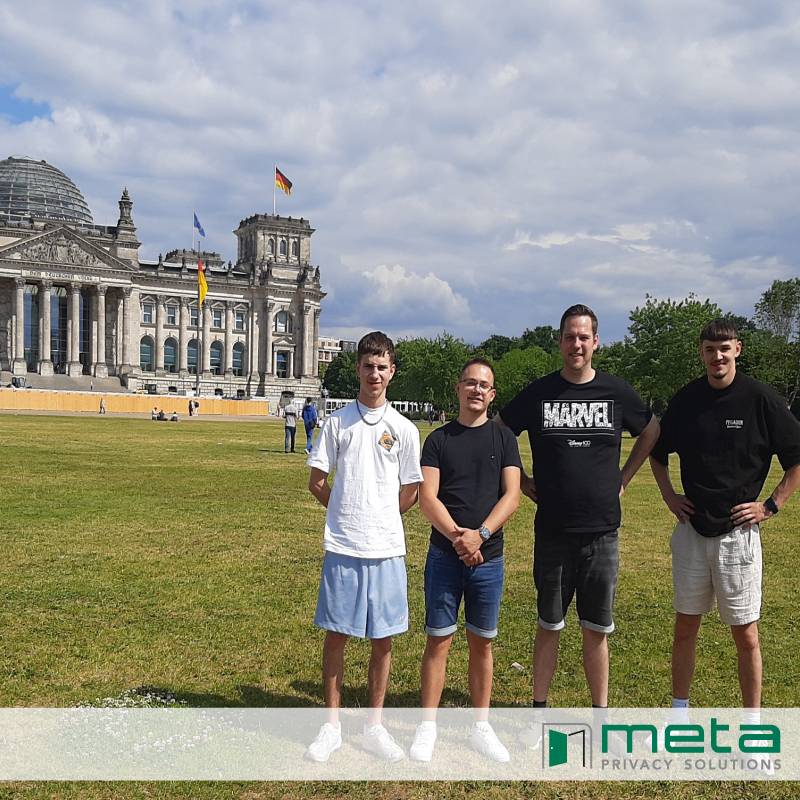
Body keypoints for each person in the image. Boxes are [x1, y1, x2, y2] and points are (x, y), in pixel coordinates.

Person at [498, 304, 659, 717]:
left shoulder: (616, 392)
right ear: (560, 341)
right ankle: (539, 710)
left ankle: (600, 715)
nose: (576, 344)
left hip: (602, 531)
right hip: (553, 530)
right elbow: (500, 429)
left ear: (596, 343)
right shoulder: (540, 392)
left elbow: (652, 429)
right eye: (570, 336)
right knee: (549, 624)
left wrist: (624, 477)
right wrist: (521, 481)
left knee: (597, 629)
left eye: (584, 337)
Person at [650, 318, 800, 712]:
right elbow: (657, 451)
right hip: (692, 533)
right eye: (709, 349)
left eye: (724, 348)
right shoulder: (687, 400)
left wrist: (770, 505)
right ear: (701, 353)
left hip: (739, 536)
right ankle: (679, 716)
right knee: (685, 628)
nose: (717, 356)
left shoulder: (761, 400)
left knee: (746, 635)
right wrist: (669, 497)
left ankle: (752, 724)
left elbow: (796, 458)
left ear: (738, 349)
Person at [305, 331, 422, 763]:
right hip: (344, 545)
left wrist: (383, 516)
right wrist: (345, 509)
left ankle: (375, 725)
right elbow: (317, 480)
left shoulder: (404, 429)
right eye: (368, 366)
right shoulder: (337, 423)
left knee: (383, 639)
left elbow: (412, 487)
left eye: (382, 366)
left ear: (392, 371)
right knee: (337, 636)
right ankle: (331, 726)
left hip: (387, 547)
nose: (374, 373)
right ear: (358, 368)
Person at [410, 358, 521, 763]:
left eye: (484, 385)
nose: (476, 390)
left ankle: (481, 725)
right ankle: (427, 726)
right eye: (470, 383)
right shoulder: (438, 439)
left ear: (492, 395)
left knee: (482, 643)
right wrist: (459, 537)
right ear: (458, 389)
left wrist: (482, 535)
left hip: (488, 558)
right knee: (438, 640)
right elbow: (428, 496)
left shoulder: (503, 439)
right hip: (445, 556)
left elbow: (511, 495)